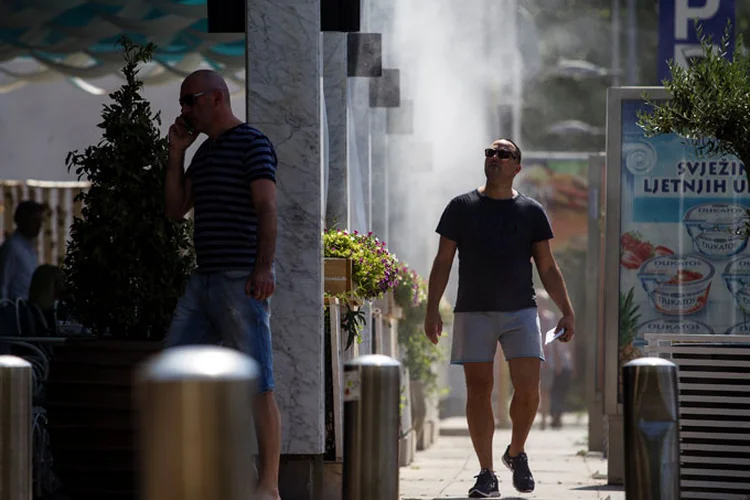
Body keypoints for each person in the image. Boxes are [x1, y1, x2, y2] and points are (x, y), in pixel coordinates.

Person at [424, 138, 576, 498]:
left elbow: (548, 267)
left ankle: (515, 451)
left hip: (520, 311)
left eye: (503, 154)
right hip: (472, 310)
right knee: (479, 391)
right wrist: (431, 308)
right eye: (490, 153)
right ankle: (486, 473)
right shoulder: (460, 207)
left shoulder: (531, 212)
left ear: (516, 167)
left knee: (528, 390)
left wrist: (568, 310)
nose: (494, 158)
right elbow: (442, 262)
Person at [164, 69, 281, 500]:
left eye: (189, 100)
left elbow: (267, 208)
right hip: (204, 280)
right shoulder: (205, 153)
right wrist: (176, 152)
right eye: (182, 102)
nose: (184, 110)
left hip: (240, 279)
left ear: (216, 98)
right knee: (171, 373)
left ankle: (268, 485)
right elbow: (176, 209)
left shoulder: (252, 143)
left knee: (259, 382)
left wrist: (264, 268)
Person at [0, 200, 45, 301]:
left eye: (40, 221)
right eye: (34, 220)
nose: (39, 225)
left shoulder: (30, 248)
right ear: (22, 220)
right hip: (16, 309)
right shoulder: (11, 247)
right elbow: (2, 283)